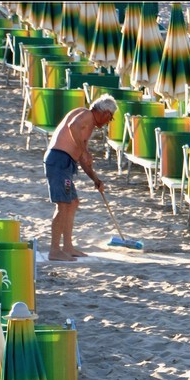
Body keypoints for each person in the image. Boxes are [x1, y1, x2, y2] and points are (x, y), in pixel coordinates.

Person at [43, 94, 118, 260]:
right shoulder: (86, 114)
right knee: (63, 204)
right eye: (110, 118)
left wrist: (96, 179)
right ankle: (54, 250)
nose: (108, 122)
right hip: (58, 160)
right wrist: (84, 150)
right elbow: (72, 126)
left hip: (66, 163)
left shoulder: (88, 125)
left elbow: (83, 159)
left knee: (72, 203)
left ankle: (68, 247)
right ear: (106, 113)